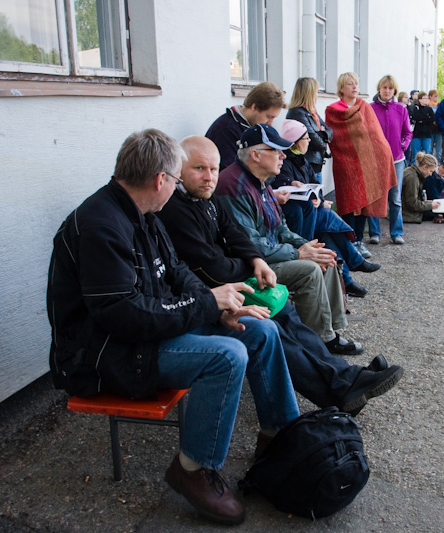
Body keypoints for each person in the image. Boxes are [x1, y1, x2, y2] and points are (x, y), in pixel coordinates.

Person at [47, 129, 300, 525]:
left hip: (144, 335)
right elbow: (123, 316)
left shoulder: (142, 212)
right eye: (180, 179)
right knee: (227, 355)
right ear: (160, 180)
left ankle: (279, 437)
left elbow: (178, 273)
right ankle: (193, 469)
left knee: (260, 331)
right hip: (103, 355)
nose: (181, 188)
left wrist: (218, 309)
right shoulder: (100, 225)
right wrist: (205, 304)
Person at [157, 135, 402, 415]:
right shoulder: (177, 209)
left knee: (286, 315)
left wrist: (256, 259)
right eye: (199, 169)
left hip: (228, 283)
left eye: (213, 169)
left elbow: (234, 233)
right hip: (209, 294)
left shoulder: (207, 197)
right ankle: (340, 390)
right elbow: (210, 266)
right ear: (177, 170)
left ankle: (345, 379)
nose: (209, 177)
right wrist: (252, 265)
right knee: (271, 326)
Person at [216, 124, 365, 354]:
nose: (283, 156)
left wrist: (305, 246)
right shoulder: (234, 186)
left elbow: (282, 229)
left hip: (266, 259)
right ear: (255, 155)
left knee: (324, 256)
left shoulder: (260, 181)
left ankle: (331, 331)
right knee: (310, 269)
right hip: (249, 268)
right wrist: (299, 253)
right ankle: (320, 342)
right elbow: (251, 246)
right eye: (276, 150)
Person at [274, 119, 380, 297]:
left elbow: (316, 186)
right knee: (328, 219)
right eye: (306, 138)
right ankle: (353, 263)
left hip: (310, 214)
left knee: (329, 234)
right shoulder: (285, 161)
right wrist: (299, 190)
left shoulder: (302, 160)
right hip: (299, 219)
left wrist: (319, 199)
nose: (309, 141)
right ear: (296, 141)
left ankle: (347, 280)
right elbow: (280, 185)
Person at [325, 72, 396, 253]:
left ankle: (359, 242)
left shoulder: (364, 106)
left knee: (364, 202)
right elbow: (335, 138)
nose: (355, 87)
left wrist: (383, 156)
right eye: (350, 84)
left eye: (356, 83)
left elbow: (374, 135)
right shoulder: (332, 110)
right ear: (341, 88)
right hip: (345, 164)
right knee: (349, 202)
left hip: (365, 164)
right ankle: (348, 243)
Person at [369, 74, 412, 245]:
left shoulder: (401, 109)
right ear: (379, 89)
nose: (387, 91)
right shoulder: (370, 108)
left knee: (395, 198)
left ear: (394, 90)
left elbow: (407, 132)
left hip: (396, 160)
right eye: (384, 87)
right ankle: (374, 232)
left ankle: (396, 232)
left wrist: (402, 146)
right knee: (375, 196)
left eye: (390, 88)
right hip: (375, 160)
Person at [205, 81, 286, 170]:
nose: (270, 123)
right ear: (254, 107)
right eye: (269, 117)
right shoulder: (226, 129)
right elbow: (229, 172)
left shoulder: (253, 128)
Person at [285, 77, 333, 182]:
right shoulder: (297, 113)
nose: (317, 95)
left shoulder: (311, 112)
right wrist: (323, 134)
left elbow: (330, 130)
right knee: (313, 197)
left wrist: (321, 134)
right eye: (316, 92)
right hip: (306, 165)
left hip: (316, 164)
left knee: (318, 197)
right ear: (309, 93)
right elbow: (316, 141)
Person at [409, 91, 435, 165]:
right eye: (424, 98)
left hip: (427, 133)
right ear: (419, 99)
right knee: (416, 153)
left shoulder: (429, 109)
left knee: (426, 152)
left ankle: (426, 166)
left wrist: (423, 121)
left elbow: (432, 119)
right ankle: (415, 167)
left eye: (427, 98)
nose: (426, 100)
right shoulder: (415, 108)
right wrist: (425, 119)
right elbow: (416, 117)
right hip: (417, 133)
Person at [398, 91, 413, 165]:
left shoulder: (409, 108)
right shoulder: (398, 108)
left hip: (408, 133)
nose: (407, 99)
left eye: (407, 97)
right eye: (405, 97)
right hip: (400, 134)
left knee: (408, 153)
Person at [428, 89, 442, 160]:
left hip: (438, 130)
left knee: (439, 150)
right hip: (429, 130)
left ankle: (439, 164)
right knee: (429, 149)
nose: (436, 98)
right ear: (430, 97)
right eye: (434, 96)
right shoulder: (427, 106)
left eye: (437, 96)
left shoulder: (440, 105)